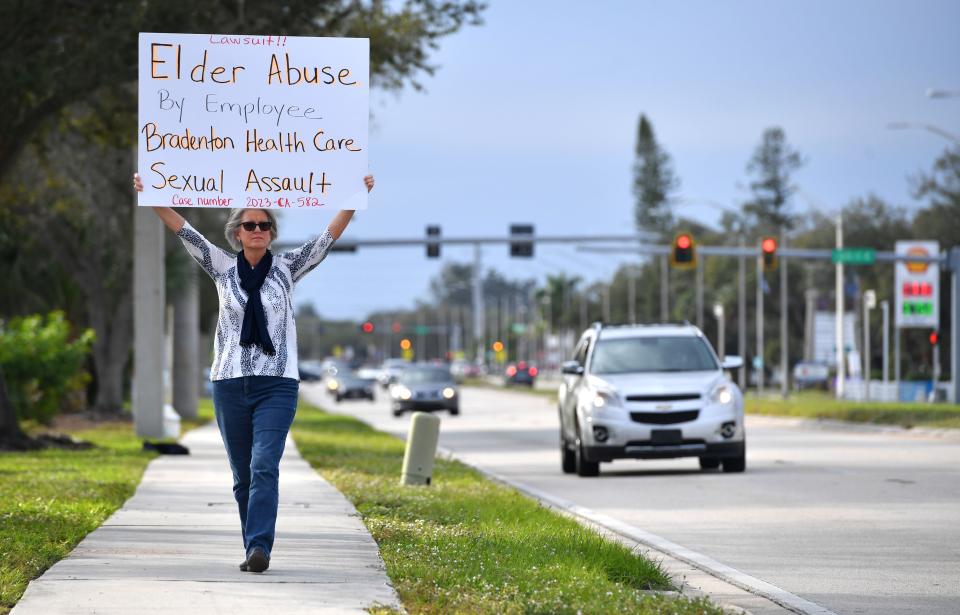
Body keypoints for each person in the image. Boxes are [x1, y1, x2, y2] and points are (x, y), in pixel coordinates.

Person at [133, 172, 374, 573]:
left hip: (277, 385)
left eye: (264, 225)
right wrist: (151, 195)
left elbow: (327, 237)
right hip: (229, 384)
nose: (258, 230)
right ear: (237, 233)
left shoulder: (288, 267)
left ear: (271, 232)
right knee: (242, 475)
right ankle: (252, 548)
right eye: (250, 225)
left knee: (264, 464)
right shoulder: (221, 266)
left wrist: (354, 196)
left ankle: (260, 546)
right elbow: (183, 230)